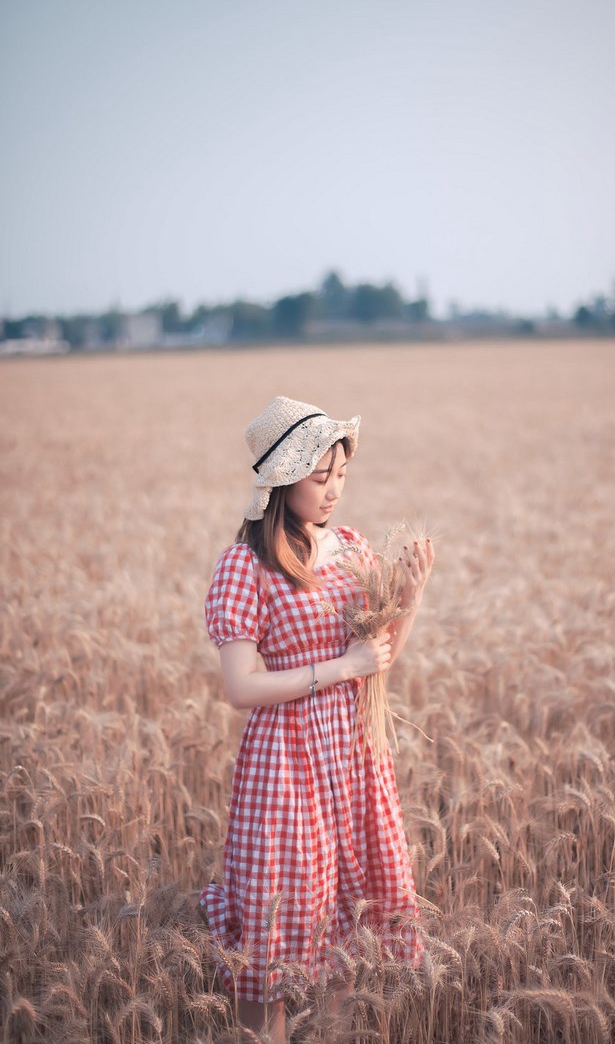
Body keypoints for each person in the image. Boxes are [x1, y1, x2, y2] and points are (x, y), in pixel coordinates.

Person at [200, 396, 434, 1042]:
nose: (334, 490)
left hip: (354, 757)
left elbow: (378, 660)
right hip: (287, 765)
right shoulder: (244, 565)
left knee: (345, 941)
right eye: (319, 476)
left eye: (341, 476)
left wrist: (408, 598)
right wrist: (339, 667)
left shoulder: (352, 547)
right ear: (282, 480)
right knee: (276, 945)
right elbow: (239, 686)